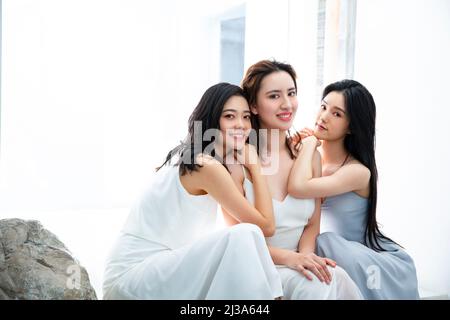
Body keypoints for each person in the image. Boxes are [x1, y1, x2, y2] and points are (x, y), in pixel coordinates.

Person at [102, 83, 283, 299]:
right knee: (246, 233)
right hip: (133, 277)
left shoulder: (196, 156)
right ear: (211, 119)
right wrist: (255, 167)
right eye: (229, 116)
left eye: (246, 117)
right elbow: (266, 226)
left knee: (243, 239)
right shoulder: (205, 164)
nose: (241, 125)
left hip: (157, 269)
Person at [222, 59, 362, 299]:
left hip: (298, 263)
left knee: (332, 279)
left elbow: (312, 225)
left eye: (291, 93)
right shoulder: (235, 163)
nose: (287, 104)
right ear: (253, 105)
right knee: (317, 286)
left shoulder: (310, 157)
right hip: (257, 268)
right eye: (274, 96)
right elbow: (241, 242)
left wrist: (307, 258)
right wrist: (293, 259)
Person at [289, 79, 419, 299]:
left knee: (324, 241)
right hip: (338, 253)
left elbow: (298, 187)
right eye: (323, 106)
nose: (323, 117)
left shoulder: (357, 172)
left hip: (368, 256)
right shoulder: (314, 161)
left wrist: (309, 144)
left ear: (351, 126)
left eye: (337, 114)